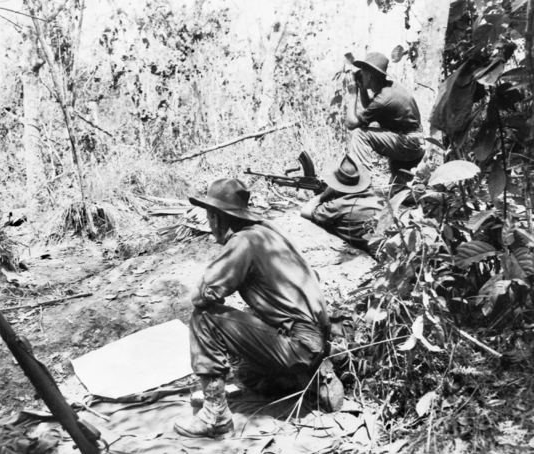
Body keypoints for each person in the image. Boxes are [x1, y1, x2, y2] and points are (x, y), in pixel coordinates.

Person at [173, 178, 343, 439]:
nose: (209, 224)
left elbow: (200, 297)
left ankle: (214, 416)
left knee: (204, 319)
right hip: (317, 335)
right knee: (248, 373)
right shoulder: (271, 231)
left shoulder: (243, 242)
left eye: (210, 217)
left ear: (218, 218)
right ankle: (308, 379)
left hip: (298, 344)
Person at [345, 52, 425, 196]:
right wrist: (362, 88)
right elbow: (371, 108)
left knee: (360, 134)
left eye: (362, 73)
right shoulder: (389, 88)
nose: (360, 75)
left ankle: (361, 187)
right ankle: (405, 188)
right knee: (399, 194)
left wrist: (353, 94)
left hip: (409, 145)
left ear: (370, 76)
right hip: (413, 144)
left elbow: (351, 124)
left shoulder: (384, 98)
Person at [301, 154, 383, 254]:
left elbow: (305, 210)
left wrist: (323, 196)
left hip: (383, 253)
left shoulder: (337, 206)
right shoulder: (376, 198)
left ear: (337, 185)